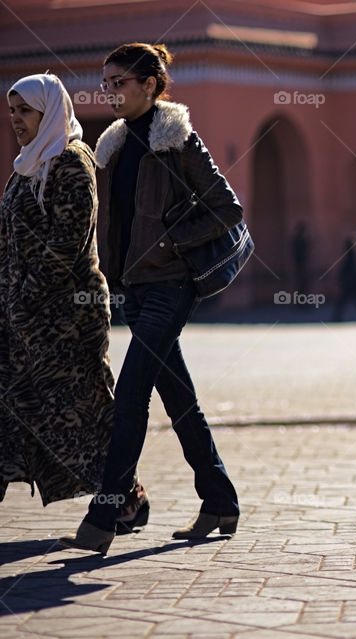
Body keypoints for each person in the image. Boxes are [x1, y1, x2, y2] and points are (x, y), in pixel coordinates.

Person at [60, 43, 241, 554]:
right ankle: (220, 499)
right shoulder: (114, 143)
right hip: (135, 292)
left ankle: (107, 507)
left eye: (119, 82)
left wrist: (172, 243)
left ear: (150, 84)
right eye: (106, 83)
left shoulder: (177, 139)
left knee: (131, 393)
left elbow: (227, 208)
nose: (110, 92)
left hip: (171, 285)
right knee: (179, 399)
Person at [0, 74, 151, 530]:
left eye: (25, 110)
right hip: (17, 319)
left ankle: (126, 497)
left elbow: (67, 244)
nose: (16, 120)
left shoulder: (70, 163)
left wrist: (25, 299)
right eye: (12, 111)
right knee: (9, 410)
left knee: (84, 415)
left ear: (48, 112)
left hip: (65, 319)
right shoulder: (26, 166)